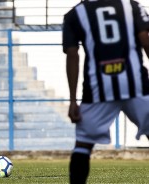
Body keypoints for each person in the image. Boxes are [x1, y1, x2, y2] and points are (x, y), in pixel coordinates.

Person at [63, 0, 149, 183]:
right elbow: (146, 40)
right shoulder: (132, 6)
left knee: (83, 144)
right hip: (135, 84)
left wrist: (72, 100)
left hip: (98, 87)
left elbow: (72, 55)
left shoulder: (74, 14)